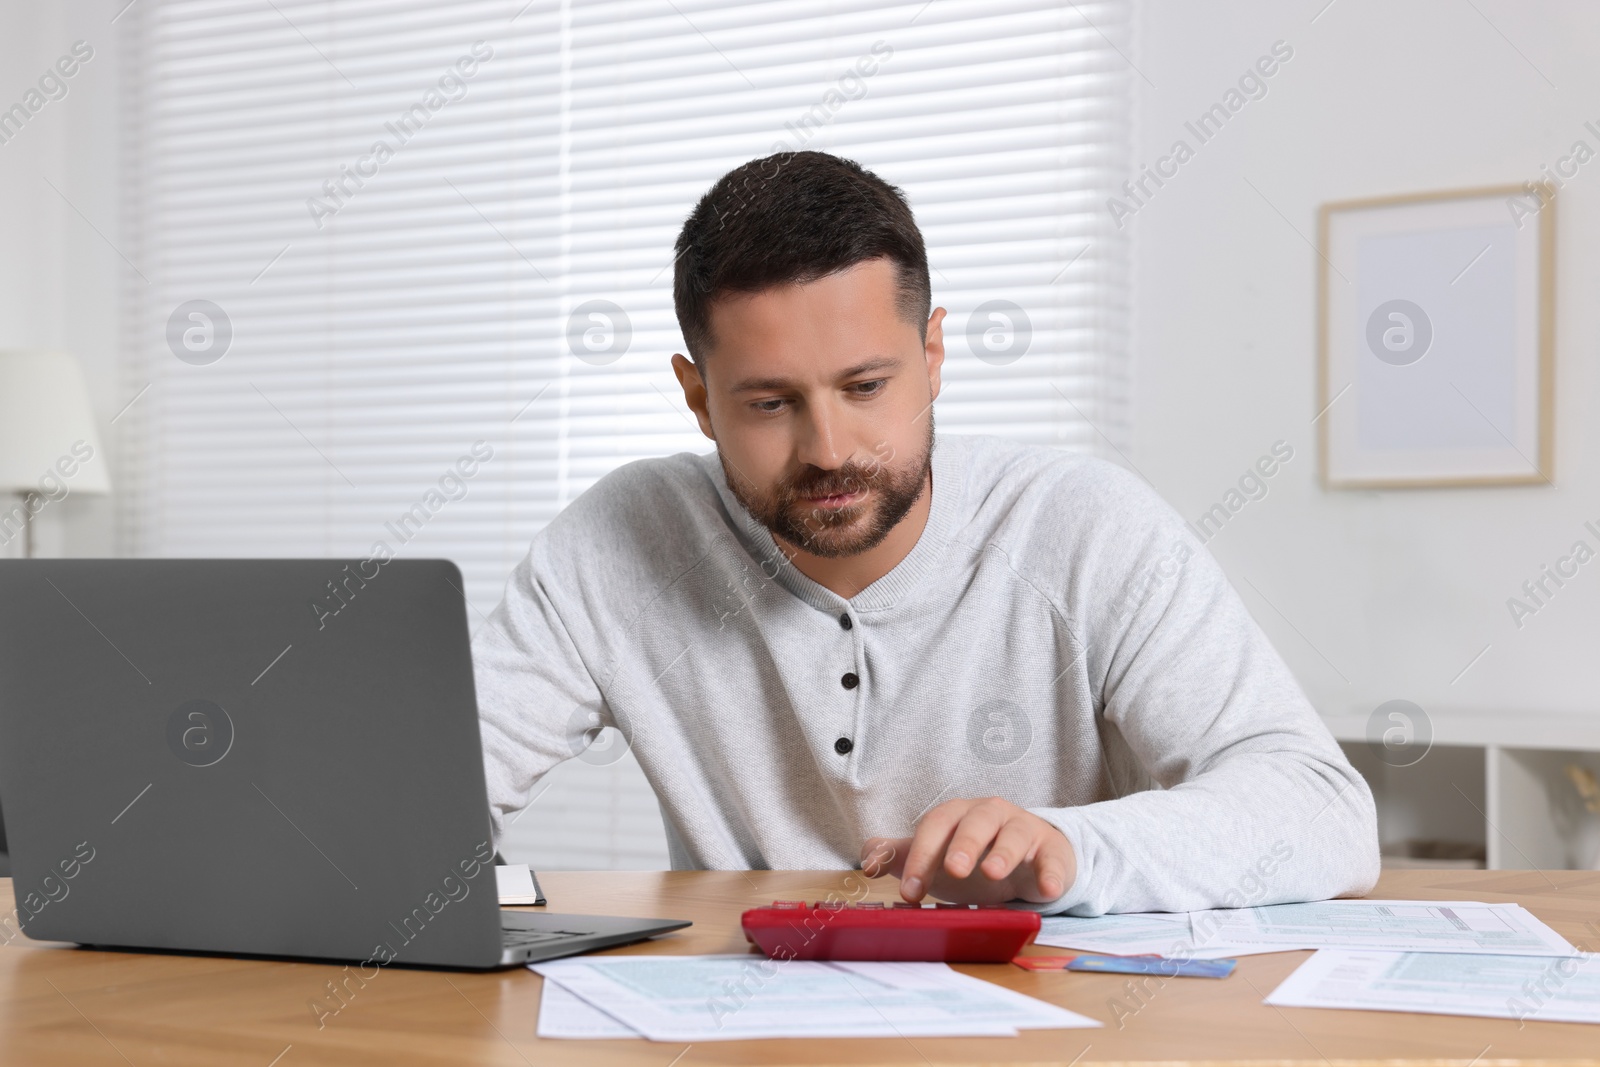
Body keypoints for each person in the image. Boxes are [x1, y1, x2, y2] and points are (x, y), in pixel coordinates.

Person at [473, 150, 1378, 915]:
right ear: (698, 396)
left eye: (866, 387)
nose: (828, 450)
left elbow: (1322, 811)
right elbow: (416, 805)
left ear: (933, 355)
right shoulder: (617, 544)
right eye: (770, 402)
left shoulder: (1085, 526)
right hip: (748, 1028)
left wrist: (1070, 844)